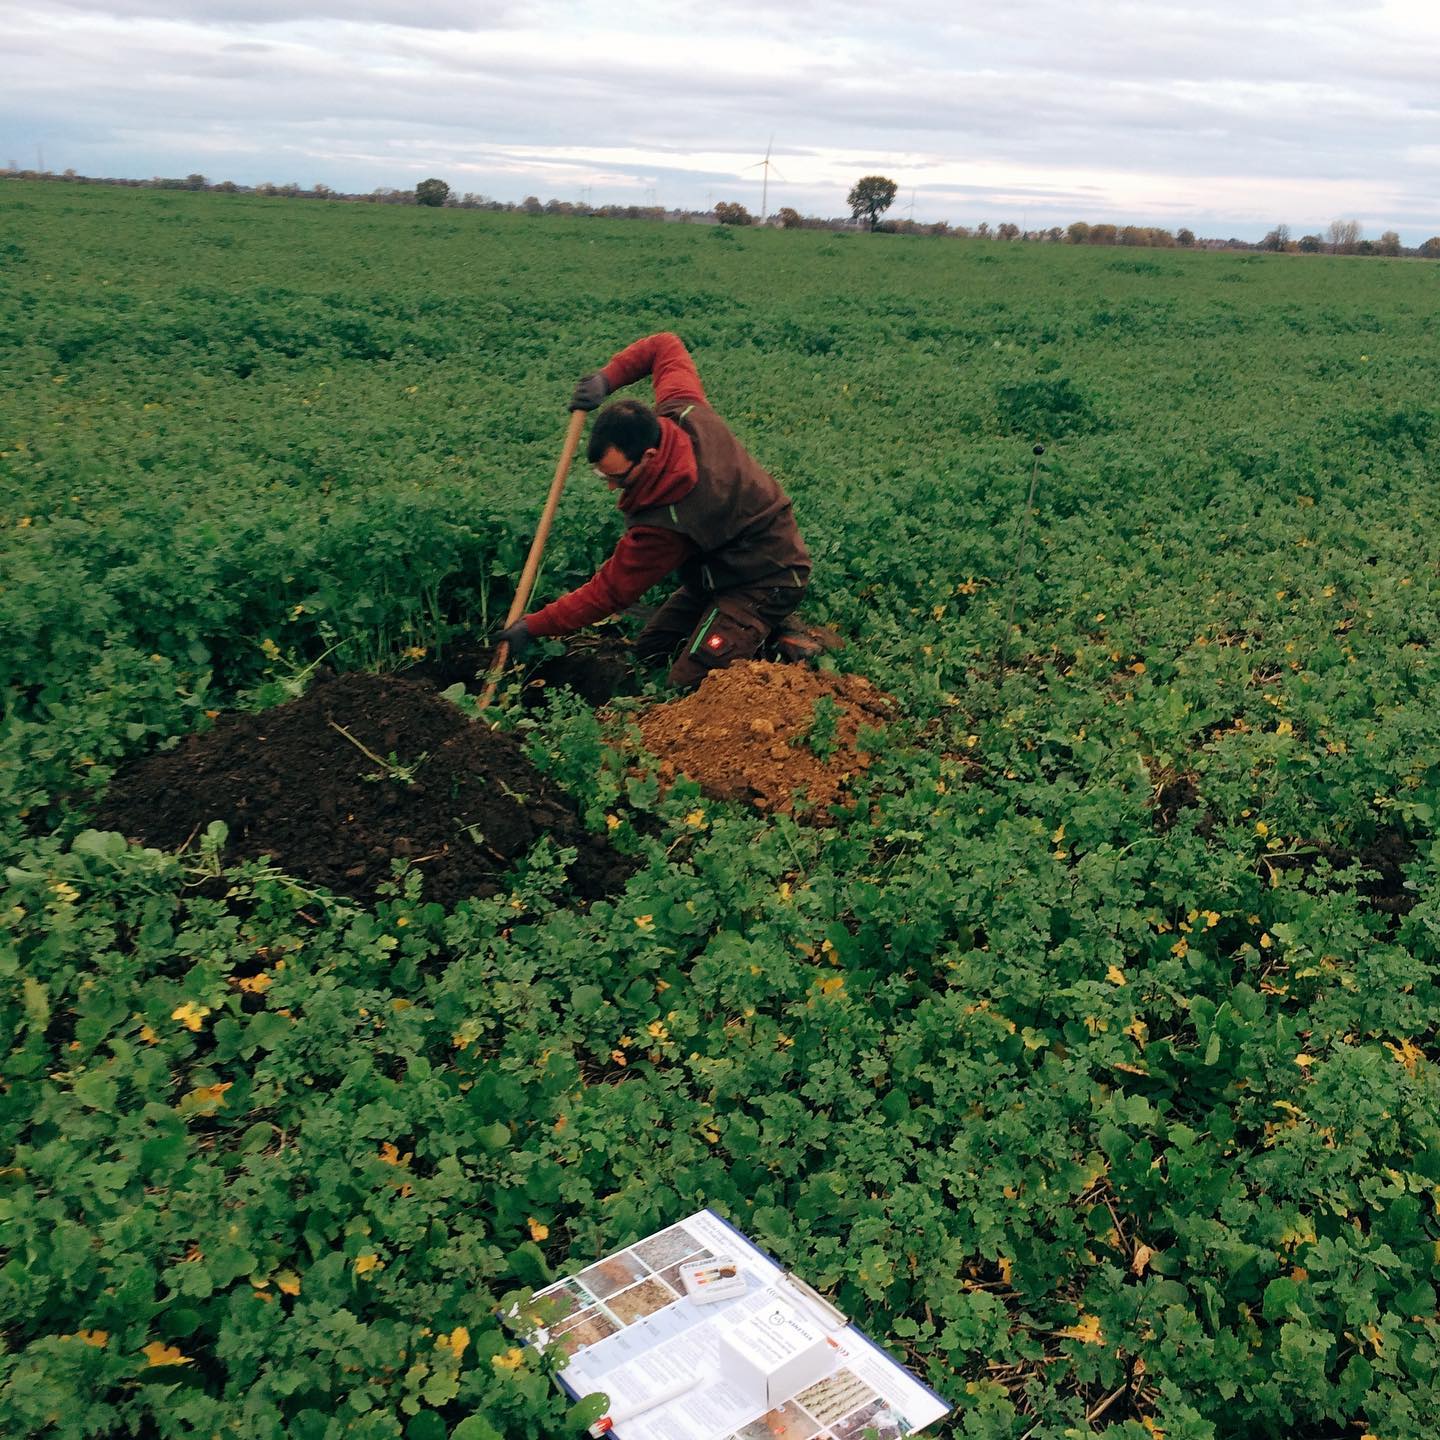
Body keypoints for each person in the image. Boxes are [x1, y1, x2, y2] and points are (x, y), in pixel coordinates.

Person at [498, 332, 811, 689]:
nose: (611, 487)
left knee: (687, 685)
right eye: (602, 475)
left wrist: (534, 625)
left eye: (617, 477)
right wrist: (607, 378)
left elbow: (609, 592)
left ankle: (772, 638)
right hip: (717, 573)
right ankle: (740, 627)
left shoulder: (671, 518)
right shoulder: (682, 411)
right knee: (649, 654)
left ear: (648, 456)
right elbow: (665, 345)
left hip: (768, 577)